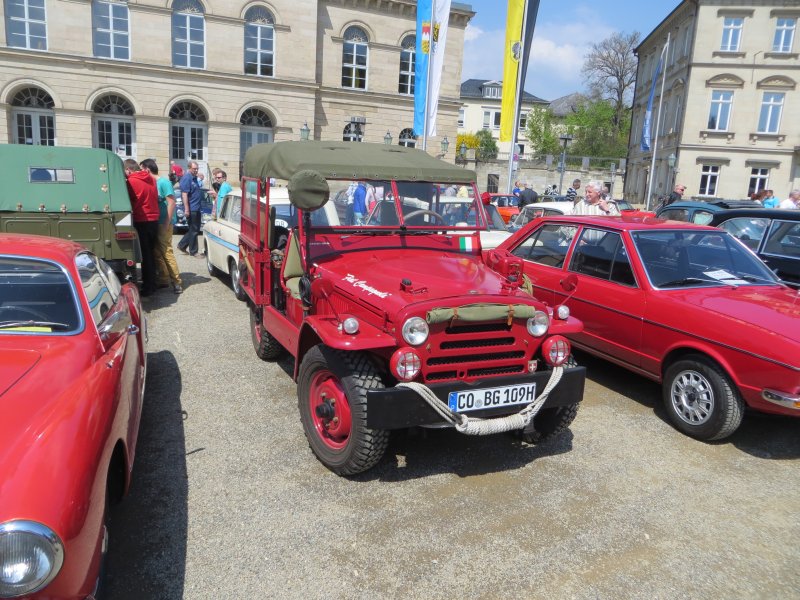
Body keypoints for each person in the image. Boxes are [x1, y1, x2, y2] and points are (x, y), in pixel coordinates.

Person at [140, 159, 183, 294]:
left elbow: (171, 203)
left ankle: (177, 282)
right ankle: (164, 279)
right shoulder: (151, 182)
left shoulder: (163, 182)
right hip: (155, 221)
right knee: (157, 252)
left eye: (141, 170)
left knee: (166, 251)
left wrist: (166, 223)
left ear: (147, 170)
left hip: (163, 222)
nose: (141, 173)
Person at [123, 159, 160, 296]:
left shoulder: (131, 181)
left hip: (141, 218)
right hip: (153, 218)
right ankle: (152, 282)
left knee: (145, 255)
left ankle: (148, 286)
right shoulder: (151, 179)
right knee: (150, 252)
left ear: (128, 170)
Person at [177, 161, 204, 256]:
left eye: (197, 169)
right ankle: (193, 251)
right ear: (189, 168)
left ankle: (182, 245)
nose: (196, 170)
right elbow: (184, 194)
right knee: (194, 230)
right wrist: (187, 209)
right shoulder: (187, 178)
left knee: (194, 229)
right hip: (191, 208)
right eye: (194, 169)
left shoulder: (194, 178)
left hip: (196, 208)